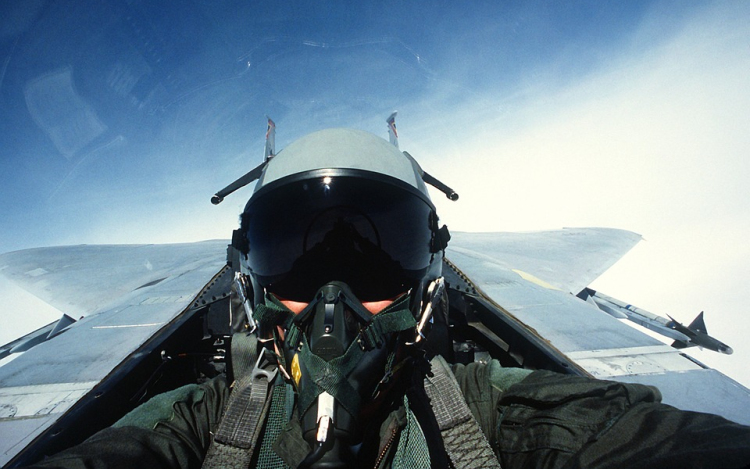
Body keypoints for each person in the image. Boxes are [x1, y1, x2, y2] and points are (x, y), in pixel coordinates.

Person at [24, 127, 750, 469]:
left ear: (425, 283)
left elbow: (638, 439)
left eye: (371, 265)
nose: (332, 304)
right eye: (299, 263)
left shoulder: (485, 409)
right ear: (255, 285)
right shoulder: (202, 422)